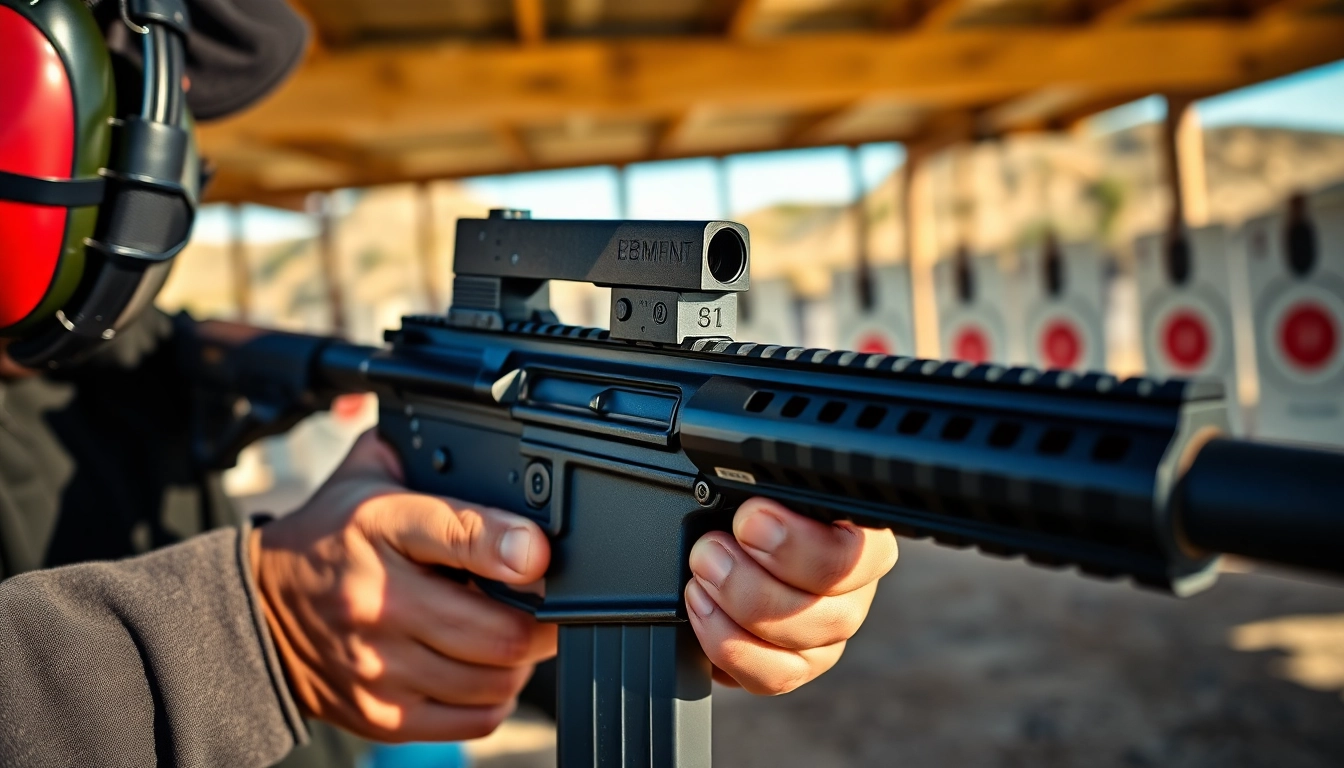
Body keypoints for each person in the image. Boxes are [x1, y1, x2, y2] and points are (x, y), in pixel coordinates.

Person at [0, 1, 899, 765]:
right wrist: (253, 628)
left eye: (163, 96)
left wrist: (656, 588)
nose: (168, 135)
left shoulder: (132, 355)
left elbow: (496, 605)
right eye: (143, 87)